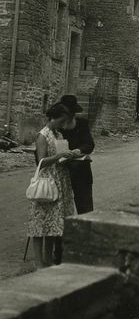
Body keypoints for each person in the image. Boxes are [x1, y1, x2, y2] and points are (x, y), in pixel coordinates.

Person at [27, 103, 82, 268]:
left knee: (52, 222)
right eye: (61, 121)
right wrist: (59, 156)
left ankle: (48, 259)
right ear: (52, 118)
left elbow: (60, 157)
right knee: (40, 222)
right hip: (47, 182)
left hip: (59, 181)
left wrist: (69, 156)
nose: (63, 125)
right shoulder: (42, 135)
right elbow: (41, 162)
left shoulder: (57, 134)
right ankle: (38, 262)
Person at [53, 95, 95, 265]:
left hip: (81, 172)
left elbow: (89, 144)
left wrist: (77, 151)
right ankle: (60, 251)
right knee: (60, 212)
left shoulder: (82, 124)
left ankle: (86, 249)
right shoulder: (56, 126)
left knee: (85, 209)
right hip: (61, 173)